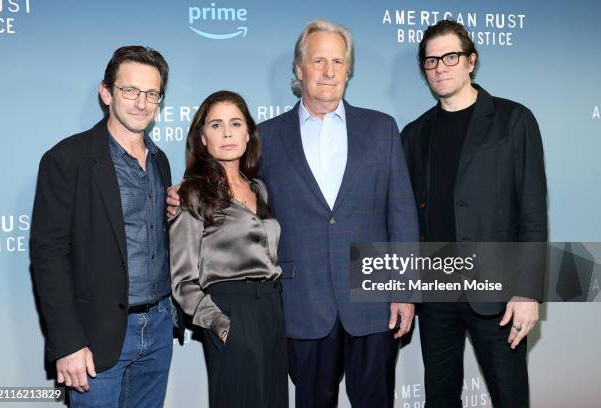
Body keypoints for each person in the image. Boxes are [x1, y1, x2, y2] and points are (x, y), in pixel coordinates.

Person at [166, 19, 419, 408]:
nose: (329, 71)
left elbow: (401, 212)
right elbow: (233, 190)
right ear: (299, 69)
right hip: (301, 305)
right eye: (318, 60)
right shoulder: (264, 137)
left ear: (348, 70)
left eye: (338, 61)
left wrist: (405, 291)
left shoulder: (381, 128)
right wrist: (185, 190)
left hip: (373, 302)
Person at [401, 20, 547, 408]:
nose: (440, 67)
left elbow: (532, 210)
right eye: (431, 61)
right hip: (436, 294)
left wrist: (528, 290)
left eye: (450, 56)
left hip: (498, 293)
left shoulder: (513, 121)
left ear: (471, 61)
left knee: (510, 396)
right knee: (440, 398)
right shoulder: (413, 134)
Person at [30, 46, 174, 407]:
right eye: (130, 90)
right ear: (106, 92)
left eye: (151, 93)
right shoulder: (66, 159)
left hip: (157, 329)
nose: (141, 103)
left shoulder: (161, 162)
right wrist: (67, 342)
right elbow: (48, 257)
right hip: (95, 337)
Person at [170, 90, 288, 408]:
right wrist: (221, 326)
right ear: (203, 138)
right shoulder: (192, 194)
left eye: (235, 123)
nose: (226, 133)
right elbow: (182, 281)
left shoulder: (259, 188)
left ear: (248, 134)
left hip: (273, 309)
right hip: (231, 310)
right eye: (216, 125)